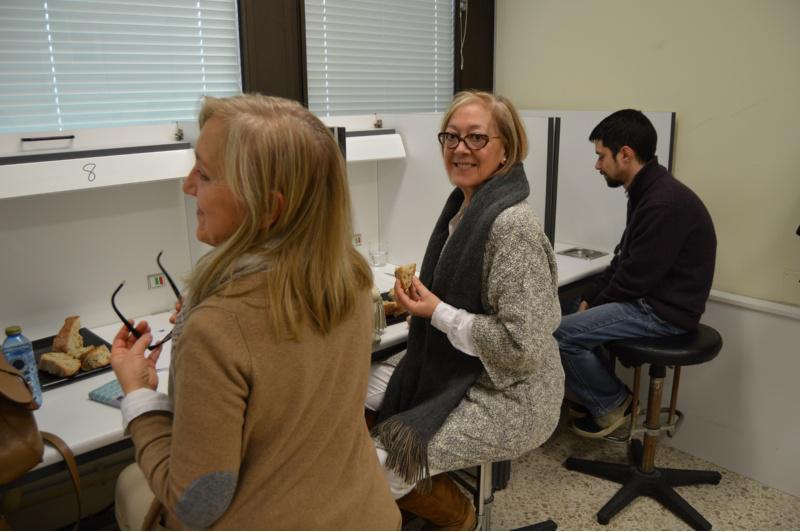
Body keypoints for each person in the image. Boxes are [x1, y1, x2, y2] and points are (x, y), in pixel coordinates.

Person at [110, 94, 401, 530]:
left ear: (268, 208)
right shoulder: (352, 280)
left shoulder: (215, 328)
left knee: (128, 486)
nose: (188, 185)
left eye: (204, 174)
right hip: (363, 513)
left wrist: (139, 395)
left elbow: (198, 501)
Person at [365, 90, 564, 529]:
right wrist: (416, 306)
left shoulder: (511, 227)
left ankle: (463, 521)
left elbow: (520, 346)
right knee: (355, 390)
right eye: (451, 138)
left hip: (513, 393)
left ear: (505, 149)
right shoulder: (462, 208)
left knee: (381, 467)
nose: (460, 149)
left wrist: (436, 313)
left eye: (476, 138)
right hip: (467, 366)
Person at [555, 109, 716, 438]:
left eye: (601, 156)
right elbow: (624, 260)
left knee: (559, 334)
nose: (597, 165)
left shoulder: (662, 203)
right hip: (650, 299)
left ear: (625, 154)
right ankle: (596, 400)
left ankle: (614, 404)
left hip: (663, 313)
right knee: (570, 307)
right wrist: (589, 298)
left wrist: (595, 303)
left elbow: (634, 279)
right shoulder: (647, 191)